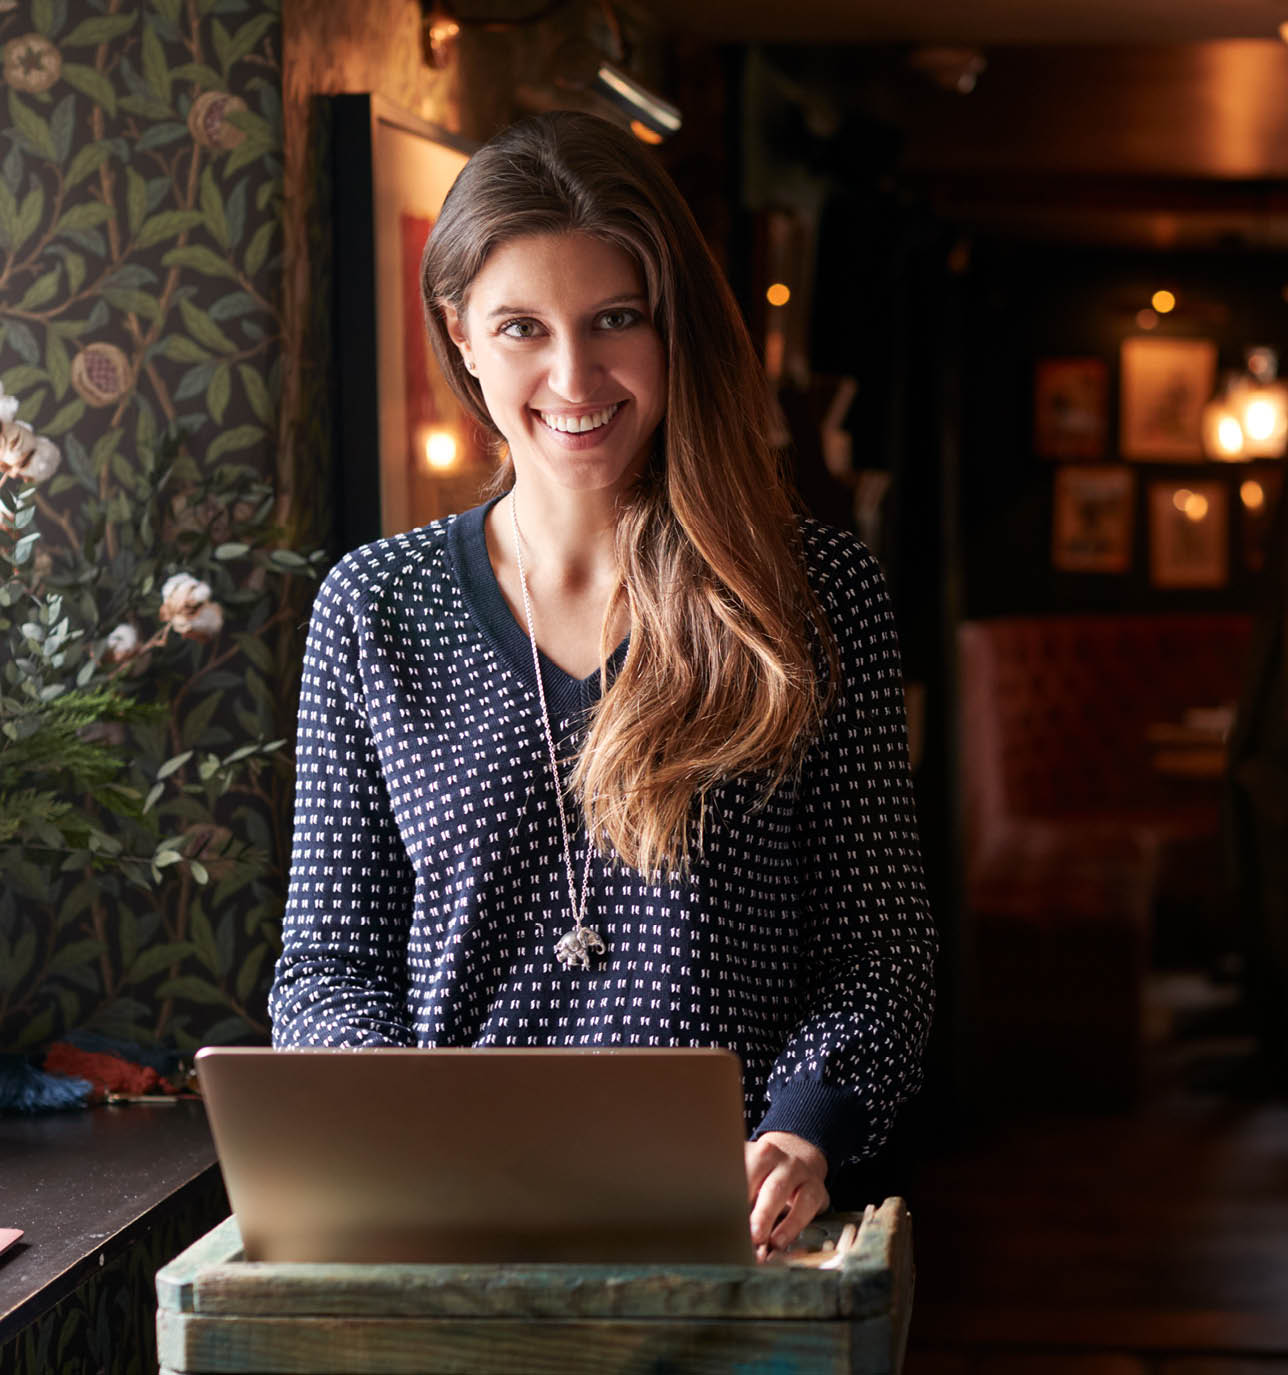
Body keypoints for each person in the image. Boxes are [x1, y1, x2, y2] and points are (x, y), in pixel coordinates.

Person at [268, 110, 937, 1258]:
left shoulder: (812, 593)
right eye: (522, 326)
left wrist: (804, 1129)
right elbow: (327, 964)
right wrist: (390, 1121)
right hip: (447, 1237)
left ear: (674, 330)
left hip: (736, 1239)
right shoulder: (372, 608)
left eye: (615, 319)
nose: (574, 375)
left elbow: (879, 951)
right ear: (461, 337)